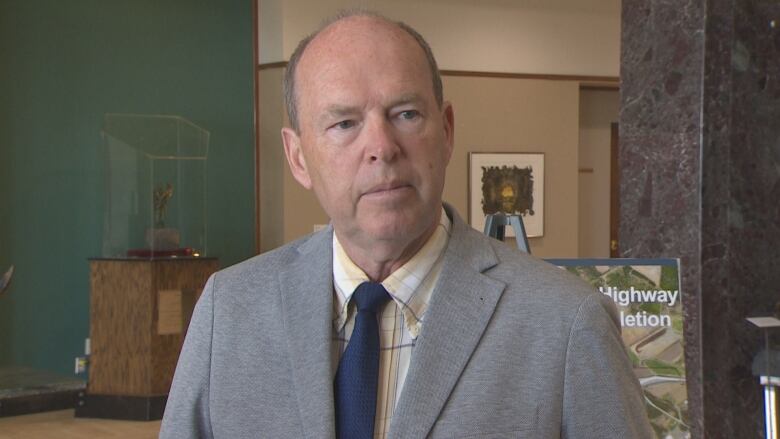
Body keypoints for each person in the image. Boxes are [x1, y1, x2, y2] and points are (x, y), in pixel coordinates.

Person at [160, 11, 652, 439]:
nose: (382, 146)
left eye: (406, 113)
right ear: (297, 157)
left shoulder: (565, 323)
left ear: (447, 130)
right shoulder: (229, 312)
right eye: (344, 123)